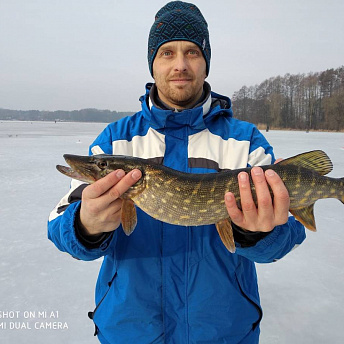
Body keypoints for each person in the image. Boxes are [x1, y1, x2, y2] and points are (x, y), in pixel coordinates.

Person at [48, 2, 306, 343]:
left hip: (223, 332)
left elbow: (283, 238)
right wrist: (86, 226)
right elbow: (60, 226)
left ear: (206, 62)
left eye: (193, 52)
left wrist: (257, 235)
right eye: (167, 52)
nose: (180, 65)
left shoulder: (246, 143)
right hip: (130, 332)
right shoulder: (115, 141)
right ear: (153, 63)